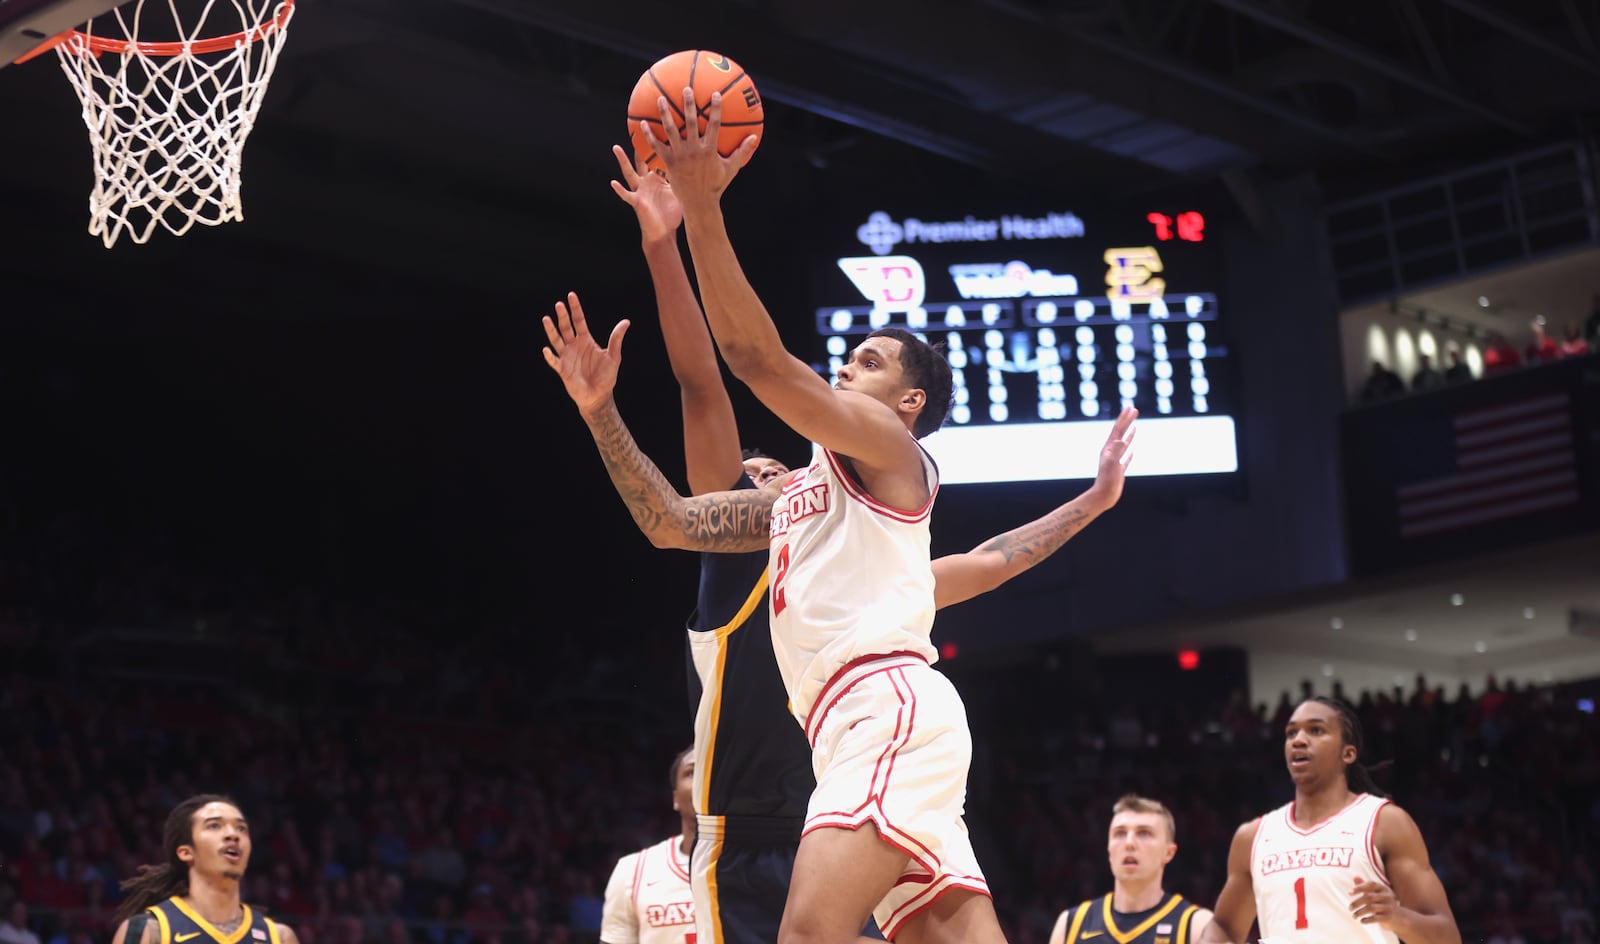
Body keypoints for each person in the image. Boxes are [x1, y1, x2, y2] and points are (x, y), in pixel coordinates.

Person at [552, 88, 1134, 944]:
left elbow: (748, 361)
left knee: (809, 936)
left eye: (865, 361)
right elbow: (669, 522)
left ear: (907, 401)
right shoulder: (810, 510)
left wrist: (705, 209)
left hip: (879, 713)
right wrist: (601, 410)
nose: (845, 369)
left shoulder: (891, 449)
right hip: (872, 730)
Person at [1196, 697, 1460, 944]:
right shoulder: (1252, 836)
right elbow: (1224, 927)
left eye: (1316, 730)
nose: (1298, 740)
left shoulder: (1385, 823)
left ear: (1348, 754)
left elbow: (1448, 937)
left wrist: (1397, 917)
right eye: (1291, 733)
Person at [109, 795, 301, 944]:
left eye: (241, 828)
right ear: (186, 852)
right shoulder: (148, 931)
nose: (232, 835)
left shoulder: (279, 937)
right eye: (215, 826)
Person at [1047, 796, 1213, 944]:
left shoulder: (1196, 926)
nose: (1129, 843)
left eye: (1144, 833)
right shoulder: (1071, 924)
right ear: (1109, 849)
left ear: (1169, 853)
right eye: (1120, 833)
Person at [599, 749, 698, 944]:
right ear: (676, 798)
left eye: (712, 771)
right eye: (692, 772)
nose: (704, 780)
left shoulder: (761, 866)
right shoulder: (633, 870)